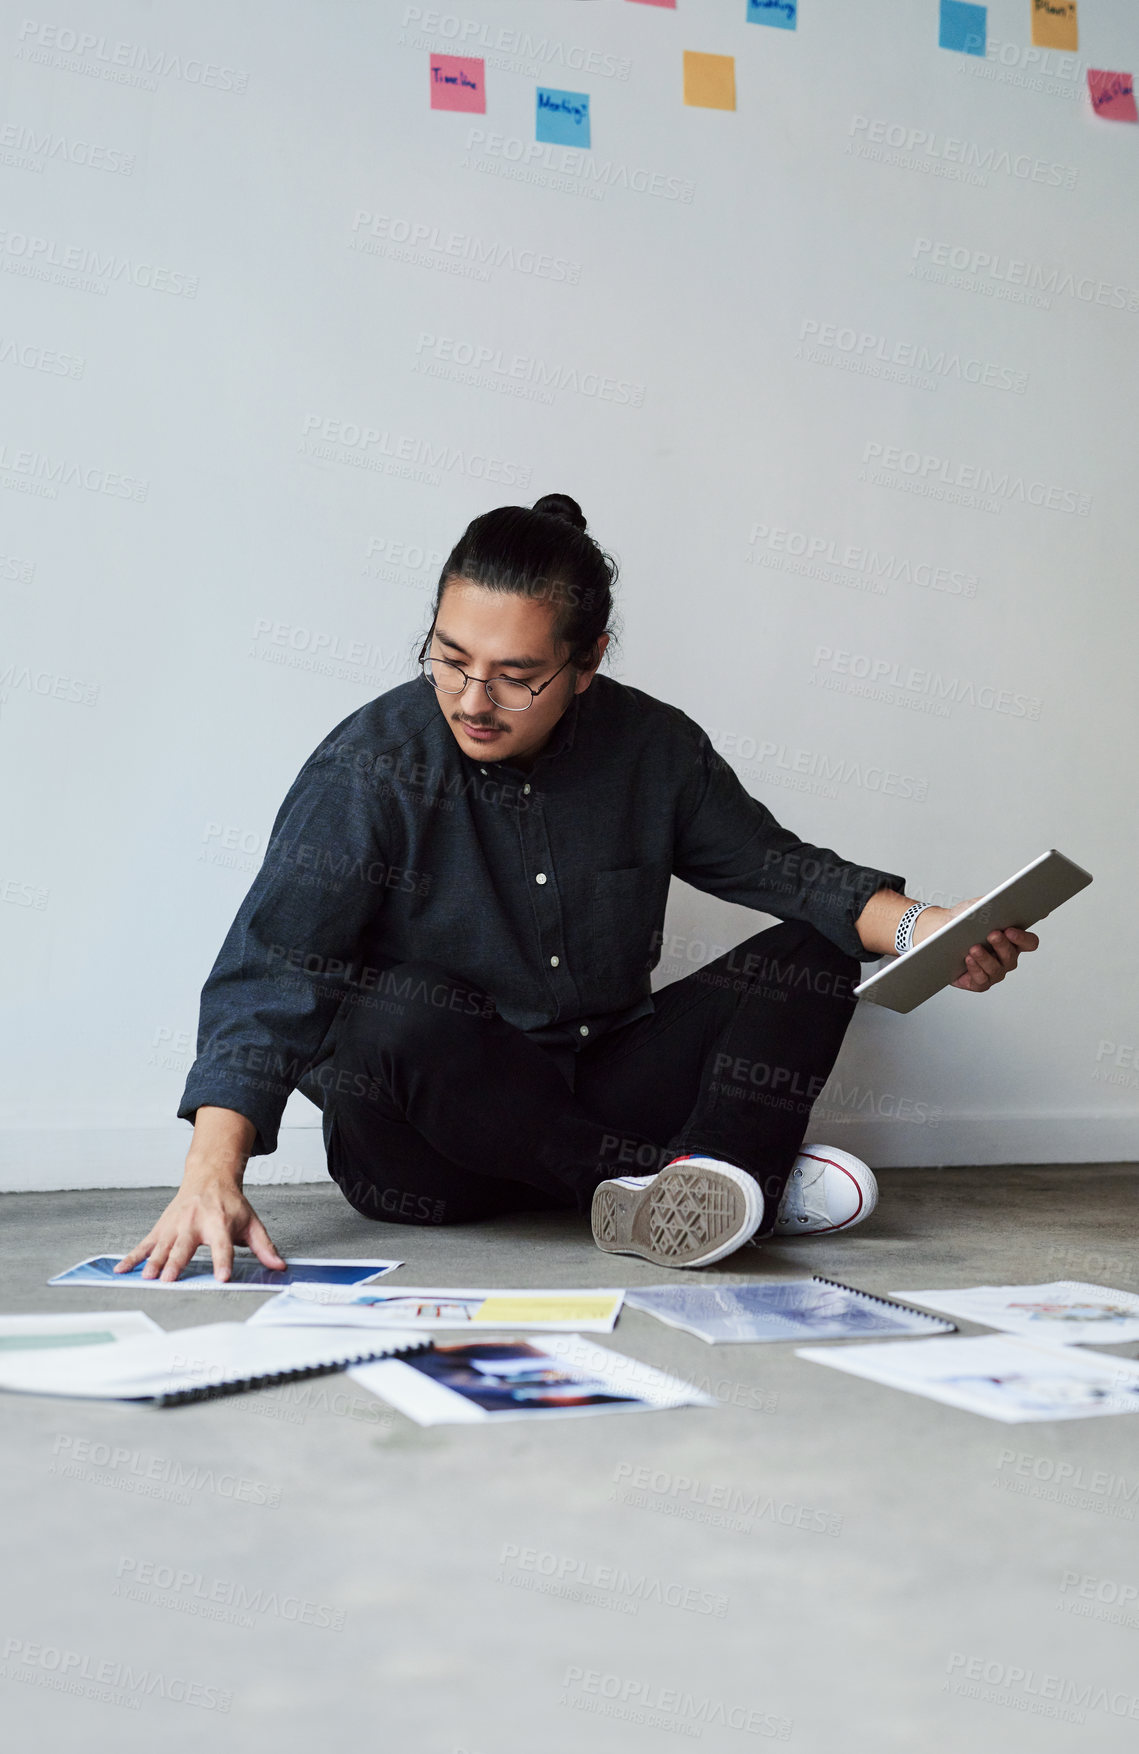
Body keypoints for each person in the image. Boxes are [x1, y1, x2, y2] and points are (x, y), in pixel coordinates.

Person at [118, 494, 1038, 1283]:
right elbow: (274, 967)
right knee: (396, 1010)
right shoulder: (371, 764)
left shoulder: (653, 747)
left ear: (587, 663)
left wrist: (924, 927)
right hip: (428, 1156)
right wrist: (210, 1171)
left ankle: (708, 1184)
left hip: (599, 1080)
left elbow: (780, 871)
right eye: (447, 658)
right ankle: (719, 1180)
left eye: (515, 677)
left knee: (819, 943)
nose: (472, 698)